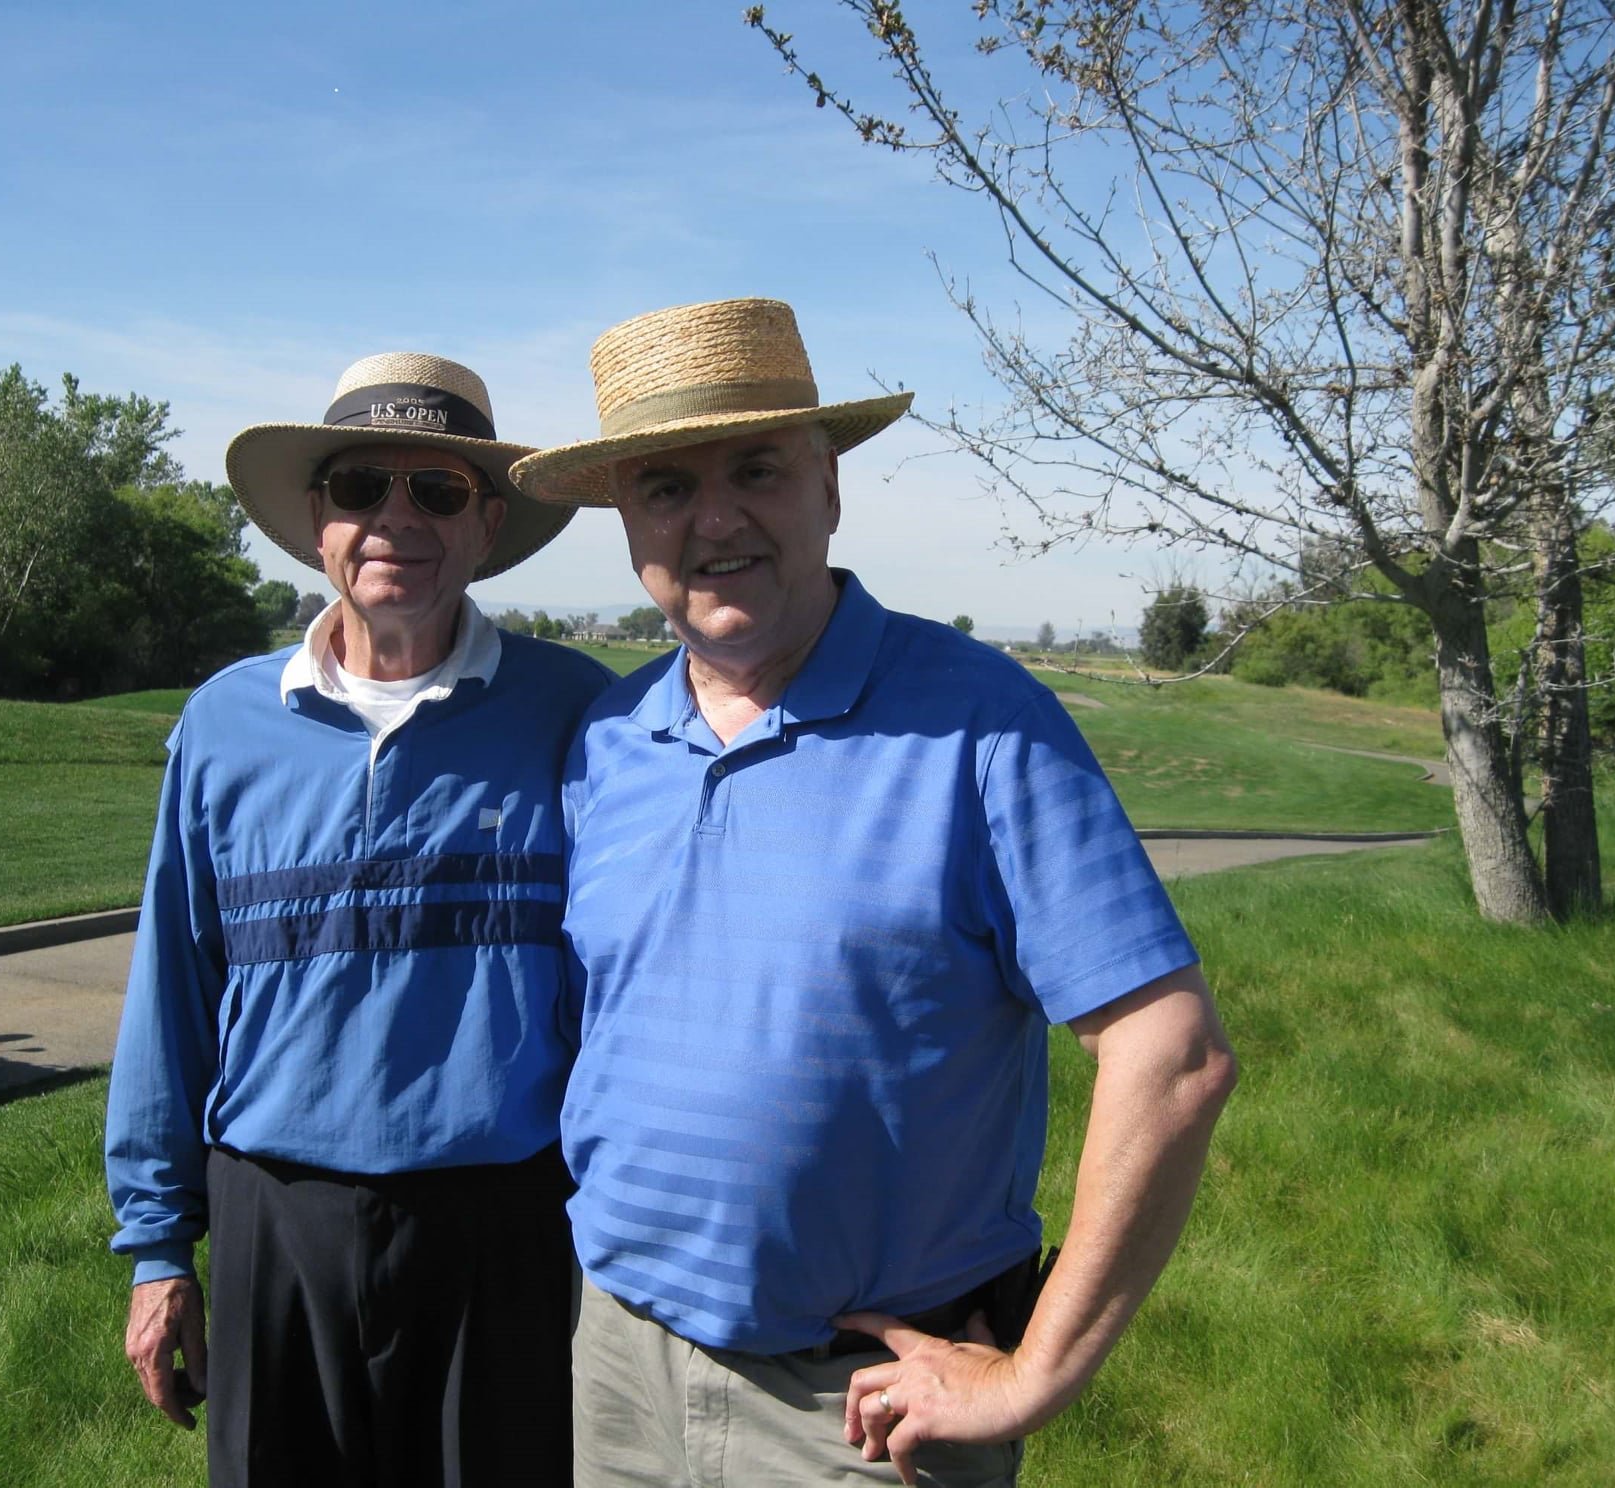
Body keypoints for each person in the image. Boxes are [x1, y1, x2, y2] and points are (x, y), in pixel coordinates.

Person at [509, 299, 1239, 1487]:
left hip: (859, 1410)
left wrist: (1037, 1372)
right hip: (621, 1370)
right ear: (629, 524)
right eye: (667, 488)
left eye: (756, 470)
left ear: (829, 486)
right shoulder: (610, 736)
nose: (715, 519)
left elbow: (1174, 1056)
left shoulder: (982, 724)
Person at [104, 352, 610, 1486]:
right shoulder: (224, 724)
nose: (396, 517)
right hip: (274, 1214)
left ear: (486, 524)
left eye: (436, 489)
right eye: (359, 485)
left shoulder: (577, 714)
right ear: (317, 522)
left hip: (505, 1223)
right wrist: (156, 1246)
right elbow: (172, 992)